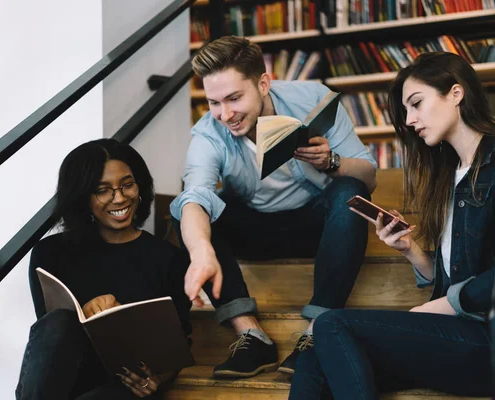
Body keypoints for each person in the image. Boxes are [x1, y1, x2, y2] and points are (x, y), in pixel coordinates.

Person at [169, 36, 378, 378]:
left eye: (234, 98)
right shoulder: (209, 133)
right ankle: (251, 336)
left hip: (319, 225)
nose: (226, 114)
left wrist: (331, 161)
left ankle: (316, 333)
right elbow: (196, 193)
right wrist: (201, 250)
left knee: (350, 189)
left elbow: (369, 178)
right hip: (256, 229)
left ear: (263, 83)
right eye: (214, 103)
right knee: (187, 210)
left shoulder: (312, 99)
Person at [290, 52, 494, 399]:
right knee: (313, 356)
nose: (411, 120)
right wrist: (409, 250)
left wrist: (445, 304)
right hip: (455, 338)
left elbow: (469, 291)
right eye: (406, 111)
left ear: (456, 94)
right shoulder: (451, 175)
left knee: (330, 324)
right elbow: (458, 274)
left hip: (484, 341)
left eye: (416, 104)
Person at [15, 139, 192, 399]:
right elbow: (50, 338)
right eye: (103, 190)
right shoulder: (51, 252)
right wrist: (84, 316)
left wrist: (156, 378)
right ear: (82, 197)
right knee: (59, 323)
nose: (119, 198)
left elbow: (178, 343)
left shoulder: (169, 259)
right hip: (61, 383)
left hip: (122, 388)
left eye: (127, 185)